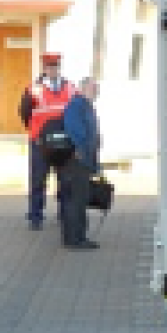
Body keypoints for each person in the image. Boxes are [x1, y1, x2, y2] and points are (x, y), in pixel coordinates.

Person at [18, 52, 76, 230]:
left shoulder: (70, 87)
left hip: (63, 142)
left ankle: (64, 213)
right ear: (44, 68)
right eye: (50, 66)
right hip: (40, 142)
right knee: (38, 179)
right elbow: (25, 112)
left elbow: (75, 111)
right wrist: (36, 131)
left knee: (65, 179)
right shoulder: (33, 89)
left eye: (56, 66)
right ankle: (35, 216)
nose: (53, 70)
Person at [57, 78, 103, 250]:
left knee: (80, 199)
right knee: (76, 200)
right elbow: (76, 131)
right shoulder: (77, 105)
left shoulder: (86, 106)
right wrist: (83, 150)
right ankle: (75, 239)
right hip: (76, 160)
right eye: (93, 88)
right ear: (83, 89)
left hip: (84, 159)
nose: (96, 91)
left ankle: (77, 236)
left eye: (97, 88)